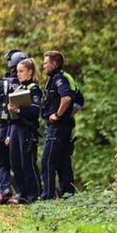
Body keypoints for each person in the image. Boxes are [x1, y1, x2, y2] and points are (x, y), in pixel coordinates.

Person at [0, 49, 27, 201]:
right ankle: (24, 192)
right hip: (24, 127)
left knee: (2, 163)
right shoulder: (30, 85)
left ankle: (5, 189)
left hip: (4, 126)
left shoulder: (3, 84)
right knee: (21, 162)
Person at [5, 57, 43, 203]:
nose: (18, 74)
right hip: (15, 128)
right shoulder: (19, 88)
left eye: (21, 71)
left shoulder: (34, 89)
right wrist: (9, 134)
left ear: (30, 72)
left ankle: (34, 195)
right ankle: (22, 194)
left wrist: (19, 110)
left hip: (27, 129)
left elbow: (35, 110)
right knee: (15, 162)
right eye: (17, 71)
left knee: (27, 163)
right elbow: (12, 116)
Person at [40, 50, 76, 199]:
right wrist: (69, 115)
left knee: (47, 160)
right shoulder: (58, 78)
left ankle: (47, 196)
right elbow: (78, 100)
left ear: (54, 64)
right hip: (63, 126)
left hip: (57, 126)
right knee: (63, 161)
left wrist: (59, 115)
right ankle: (67, 194)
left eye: (45, 63)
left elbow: (67, 98)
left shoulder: (59, 79)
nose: (43, 66)